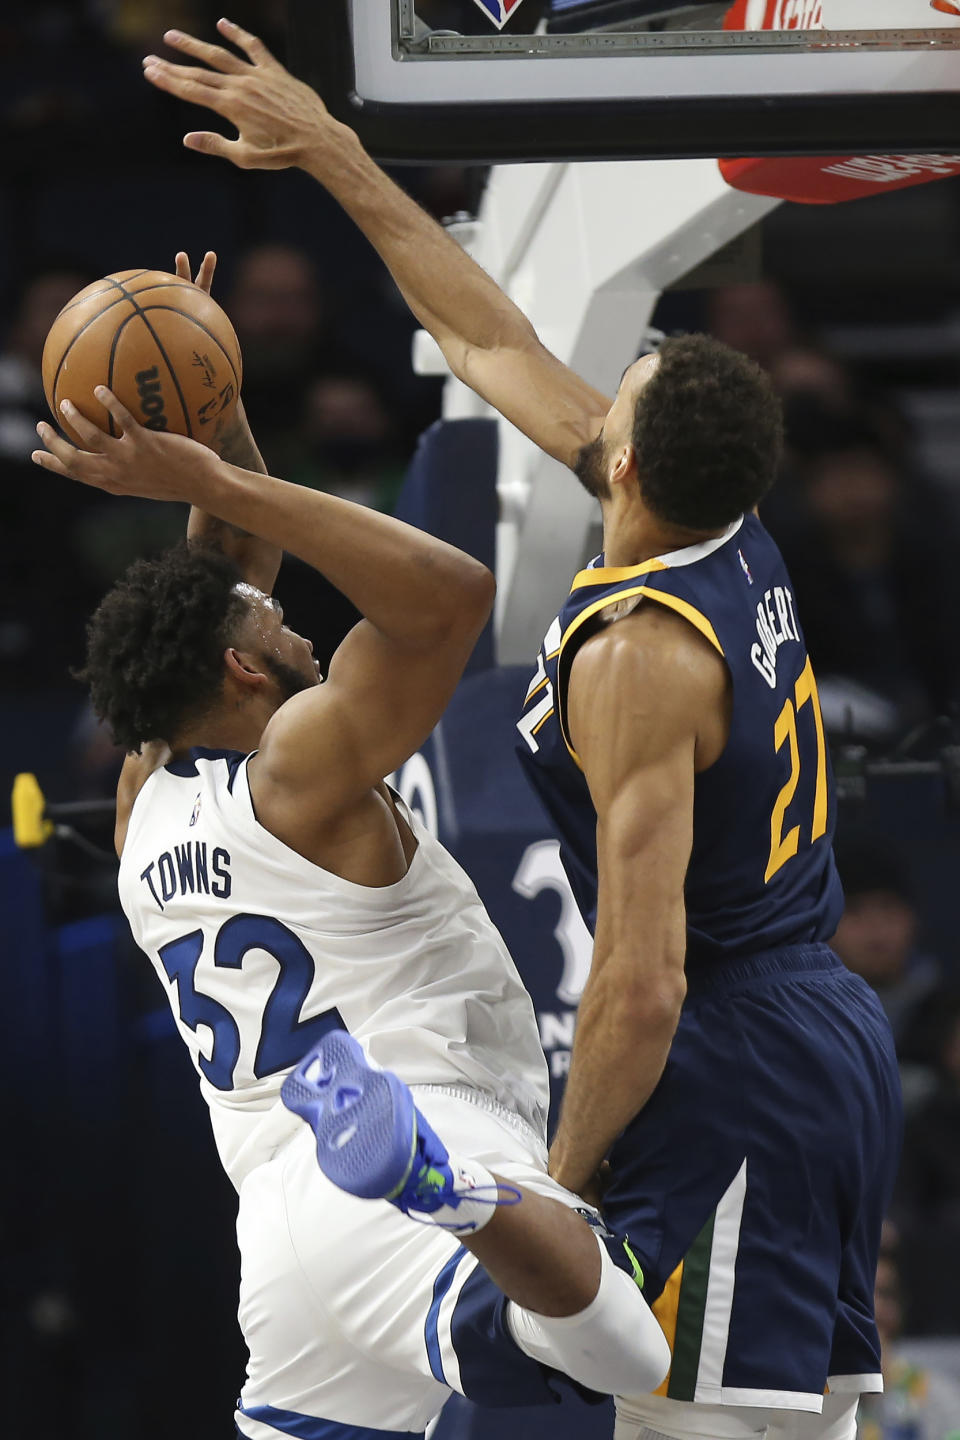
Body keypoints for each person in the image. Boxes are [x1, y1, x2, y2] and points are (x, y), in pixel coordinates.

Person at [139, 25, 903, 1440]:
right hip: (822, 1034)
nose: (600, 386)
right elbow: (489, 336)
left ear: (615, 456)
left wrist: (555, 1184)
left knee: (687, 1419)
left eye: (618, 393)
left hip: (733, 1054)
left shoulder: (638, 662)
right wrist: (334, 151)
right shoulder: (713, 517)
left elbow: (640, 985)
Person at [31, 255, 670, 1440]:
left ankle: (457, 1197)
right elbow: (447, 596)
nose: (302, 629)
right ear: (236, 667)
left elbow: (219, 576)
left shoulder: (143, 794)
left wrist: (213, 417)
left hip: (275, 1224)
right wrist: (217, 470)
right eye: (276, 625)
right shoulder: (300, 771)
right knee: (618, 1349)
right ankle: (457, 1195)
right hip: (420, 1130)